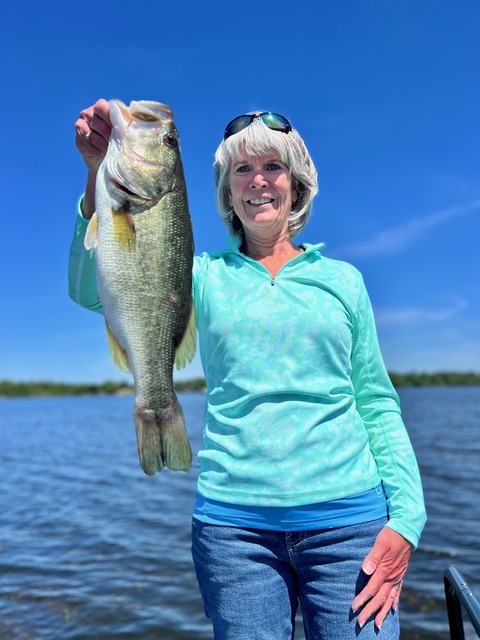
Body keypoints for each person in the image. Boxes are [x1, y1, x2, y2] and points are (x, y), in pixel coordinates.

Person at [70, 99, 426, 639]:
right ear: (227, 190)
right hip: (234, 529)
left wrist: (407, 518)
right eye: (242, 169)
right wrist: (97, 175)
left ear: (296, 183)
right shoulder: (202, 276)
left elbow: (375, 399)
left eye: (272, 167)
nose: (258, 181)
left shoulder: (344, 280)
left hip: (350, 522)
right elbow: (86, 291)